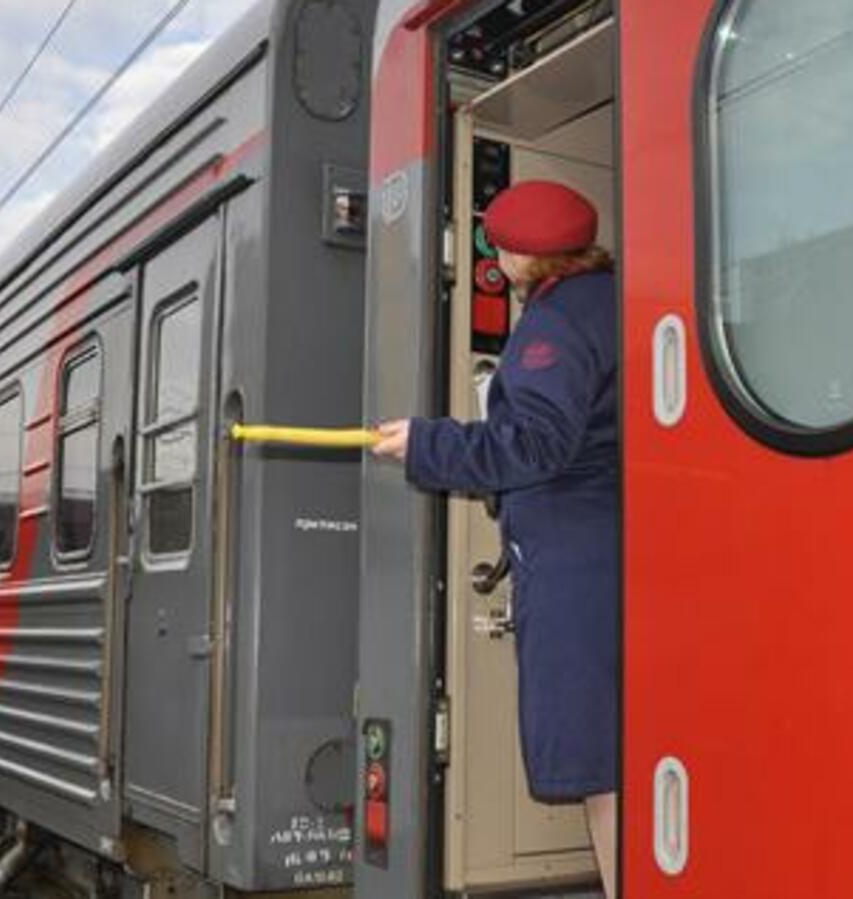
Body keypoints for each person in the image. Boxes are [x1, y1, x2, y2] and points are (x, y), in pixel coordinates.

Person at [373, 180, 619, 897]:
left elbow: (536, 444)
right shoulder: (616, 298)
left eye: (497, 248)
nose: (497, 261)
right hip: (617, 553)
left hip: (575, 569)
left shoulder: (554, 324)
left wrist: (427, 442)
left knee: (601, 764)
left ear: (519, 257)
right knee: (627, 750)